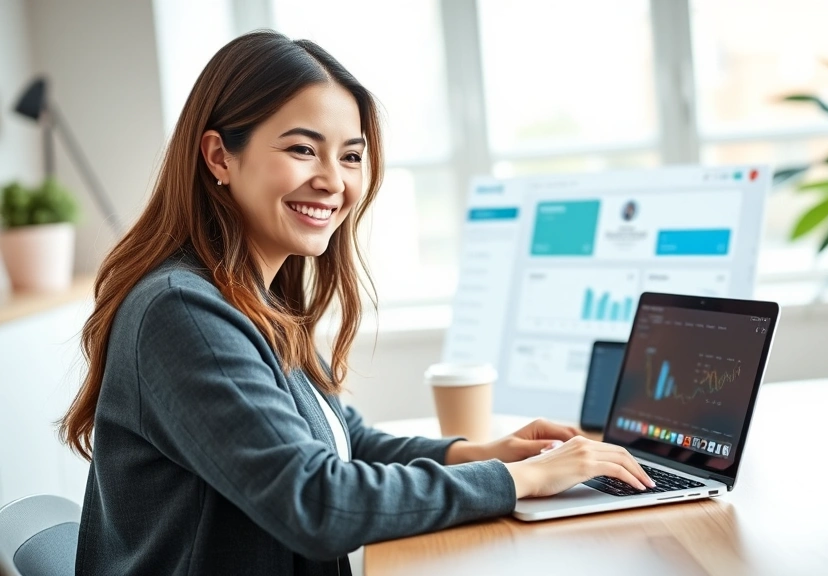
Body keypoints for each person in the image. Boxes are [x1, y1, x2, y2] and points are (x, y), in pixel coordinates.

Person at [59, 31, 653, 575]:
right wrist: (517, 479)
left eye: (350, 155)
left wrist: (480, 453)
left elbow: (342, 438)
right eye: (302, 149)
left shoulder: (248, 296)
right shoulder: (183, 312)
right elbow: (317, 502)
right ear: (219, 157)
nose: (333, 180)